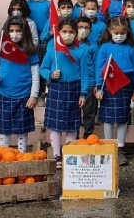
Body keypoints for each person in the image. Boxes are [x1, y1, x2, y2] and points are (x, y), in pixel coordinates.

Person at [40, 18, 89, 167]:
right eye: (64, 31)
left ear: (76, 34)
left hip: (74, 90)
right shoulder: (52, 51)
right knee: (55, 125)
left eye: (71, 32)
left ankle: (69, 154)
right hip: (56, 89)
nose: (67, 35)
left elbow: (84, 75)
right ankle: (56, 155)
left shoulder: (81, 52)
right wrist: (50, 74)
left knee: (72, 125)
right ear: (58, 33)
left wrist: (83, 93)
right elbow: (43, 69)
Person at [96, 17, 134, 165]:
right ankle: (109, 146)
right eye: (116, 33)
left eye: (122, 33)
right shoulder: (104, 47)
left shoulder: (131, 48)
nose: (119, 36)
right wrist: (99, 87)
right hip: (109, 82)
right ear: (110, 31)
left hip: (125, 83)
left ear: (127, 32)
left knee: (123, 117)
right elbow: (99, 67)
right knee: (108, 117)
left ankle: (120, 148)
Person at [0, 18, 39, 153]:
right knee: (4, 129)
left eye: (18, 30)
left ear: (25, 32)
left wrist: (34, 95)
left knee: (22, 129)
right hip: (5, 94)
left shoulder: (30, 51)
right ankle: (4, 154)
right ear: (6, 32)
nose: (15, 33)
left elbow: (35, 75)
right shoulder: (1, 50)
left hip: (24, 96)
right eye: (11, 30)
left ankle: (22, 155)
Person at [27, 0, 50, 102]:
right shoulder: (26, 4)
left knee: (43, 65)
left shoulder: (48, 4)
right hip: (30, 38)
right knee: (32, 65)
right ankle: (31, 92)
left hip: (44, 39)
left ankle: (41, 92)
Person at [76, 17, 98, 139]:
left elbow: (97, 65)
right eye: (80, 27)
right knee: (74, 113)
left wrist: (97, 84)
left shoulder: (93, 46)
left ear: (90, 31)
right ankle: (74, 137)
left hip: (90, 83)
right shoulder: (70, 46)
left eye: (86, 28)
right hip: (74, 83)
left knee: (89, 113)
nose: (83, 30)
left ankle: (88, 137)